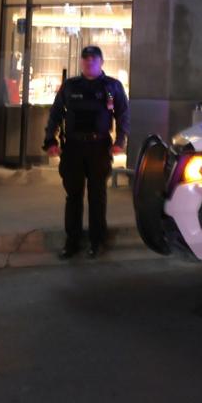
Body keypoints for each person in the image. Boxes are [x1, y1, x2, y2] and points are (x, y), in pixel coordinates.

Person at [42, 46, 129, 260]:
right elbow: (55, 114)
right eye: (86, 59)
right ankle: (72, 241)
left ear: (101, 62)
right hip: (73, 148)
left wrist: (120, 141)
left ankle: (97, 241)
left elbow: (123, 115)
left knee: (97, 195)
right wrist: (50, 140)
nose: (89, 62)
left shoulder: (112, 86)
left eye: (93, 59)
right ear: (81, 62)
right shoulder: (70, 86)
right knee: (73, 195)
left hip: (99, 147)